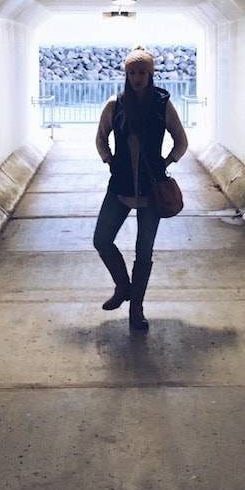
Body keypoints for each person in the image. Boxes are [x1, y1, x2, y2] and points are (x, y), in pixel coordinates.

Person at [93, 46, 189, 330]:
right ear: (126, 74)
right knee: (101, 239)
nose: (137, 78)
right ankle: (123, 286)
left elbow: (181, 141)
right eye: (132, 73)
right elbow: (100, 138)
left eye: (142, 73)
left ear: (151, 74)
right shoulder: (115, 105)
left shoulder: (162, 105)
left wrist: (166, 162)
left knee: (144, 251)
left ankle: (136, 308)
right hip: (120, 187)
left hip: (151, 189)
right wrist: (109, 160)